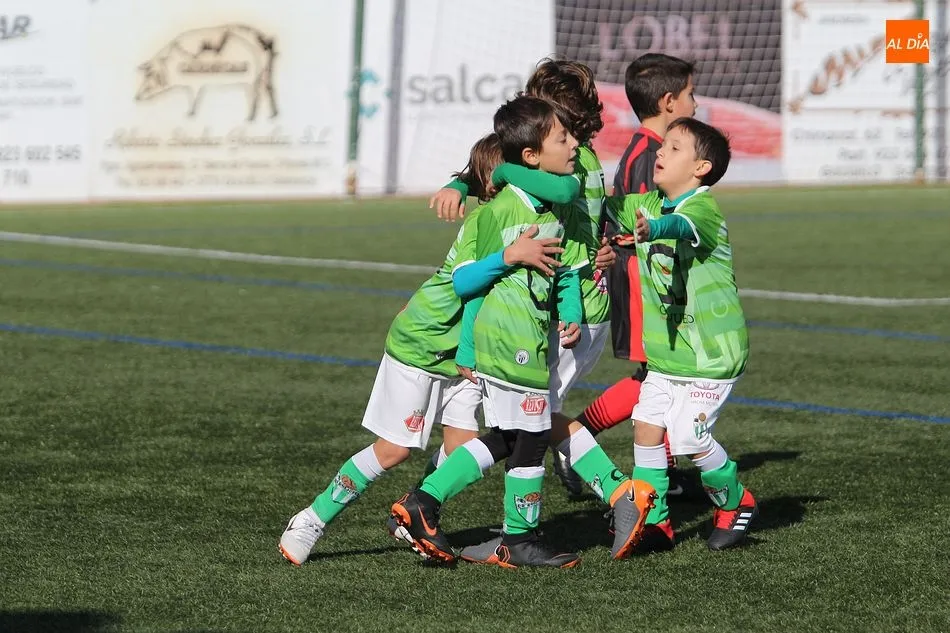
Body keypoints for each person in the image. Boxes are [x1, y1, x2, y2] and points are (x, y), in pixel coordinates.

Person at [277, 133, 567, 565]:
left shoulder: (515, 215)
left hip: (464, 356)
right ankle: (312, 519)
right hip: (424, 346)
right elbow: (464, 283)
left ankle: (415, 509)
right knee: (393, 450)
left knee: (464, 447)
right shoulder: (486, 221)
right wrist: (511, 255)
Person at [392, 96, 654, 568]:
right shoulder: (500, 213)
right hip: (506, 340)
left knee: (521, 433)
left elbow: (569, 265)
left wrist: (570, 309)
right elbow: (466, 283)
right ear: (530, 157)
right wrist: (470, 346)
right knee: (529, 432)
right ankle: (518, 534)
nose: (575, 143)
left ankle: (430, 503)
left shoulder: (550, 201)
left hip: (530, 337)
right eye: (562, 137)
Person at [610, 117, 757, 552]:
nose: (661, 153)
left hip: (712, 355)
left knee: (690, 438)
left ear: (701, 168)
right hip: (669, 355)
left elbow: (681, 228)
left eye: (674, 149)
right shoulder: (648, 202)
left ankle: (735, 501)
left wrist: (653, 229)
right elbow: (601, 206)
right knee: (646, 429)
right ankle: (656, 522)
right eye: (663, 146)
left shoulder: (702, 208)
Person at [570, 53, 698, 498]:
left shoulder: (651, 150)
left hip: (642, 277)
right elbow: (643, 228)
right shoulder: (650, 156)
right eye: (690, 95)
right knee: (658, 377)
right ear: (668, 102)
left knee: (658, 375)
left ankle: (657, 466)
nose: (695, 105)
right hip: (641, 278)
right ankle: (576, 442)